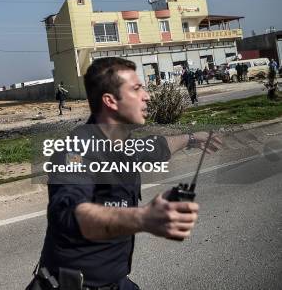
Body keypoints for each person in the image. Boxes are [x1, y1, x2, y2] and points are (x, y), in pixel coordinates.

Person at [29, 57, 222, 290]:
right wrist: (142, 218)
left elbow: (157, 147)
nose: (147, 96)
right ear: (110, 101)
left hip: (115, 283)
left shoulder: (126, 145)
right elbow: (71, 214)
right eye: (136, 89)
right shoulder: (75, 149)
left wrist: (191, 139)